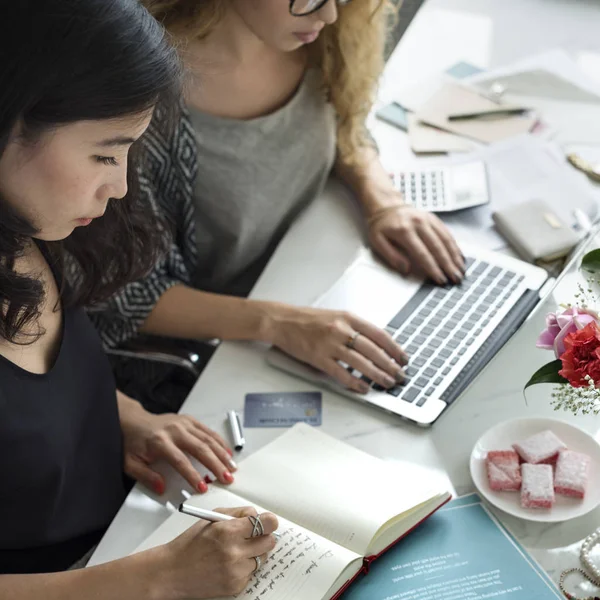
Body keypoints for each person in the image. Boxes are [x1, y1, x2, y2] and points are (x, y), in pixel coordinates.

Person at [0, 0, 277, 595]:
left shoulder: (26, 226)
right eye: (104, 153)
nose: (121, 185)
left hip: (120, 533)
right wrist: (158, 578)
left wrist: (120, 417)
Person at [89, 0, 465, 412]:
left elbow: (344, 122)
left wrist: (384, 203)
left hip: (313, 283)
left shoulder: (323, 34)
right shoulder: (141, 93)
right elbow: (122, 293)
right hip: (226, 345)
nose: (331, 15)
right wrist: (281, 323)